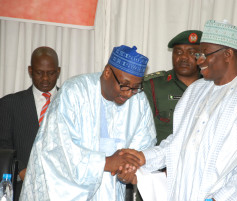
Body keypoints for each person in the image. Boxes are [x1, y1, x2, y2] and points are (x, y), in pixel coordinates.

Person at [120, 20, 237, 200]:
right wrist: (144, 157)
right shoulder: (196, 90)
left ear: (228, 54)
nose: (199, 60)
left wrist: (219, 198)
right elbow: (178, 143)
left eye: (204, 54)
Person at [19, 45, 156, 201]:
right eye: (124, 85)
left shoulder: (138, 101)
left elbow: (143, 147)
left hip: (112, 193)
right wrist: (106, 162)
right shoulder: (74, 92)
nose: (128, 93)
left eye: (135, 87)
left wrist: (129, 171)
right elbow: (57, 148)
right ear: (107, 72)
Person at [0, 46, 61, 200]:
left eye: (51, 73)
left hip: (61, 191)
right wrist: (20, 170)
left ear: (59, 71)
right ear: (30, 70)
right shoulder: (9, 104)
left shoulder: (72, 104)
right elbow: (3, 145)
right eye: (39, 73)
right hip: (21, 190)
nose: (45, 79)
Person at [143, 30, 203, 144]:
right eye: (178, 52)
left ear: (201, 57)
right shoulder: (153, 85)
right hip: (161, 158)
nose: (184, 57)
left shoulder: (212, 87)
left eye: (191, 52)